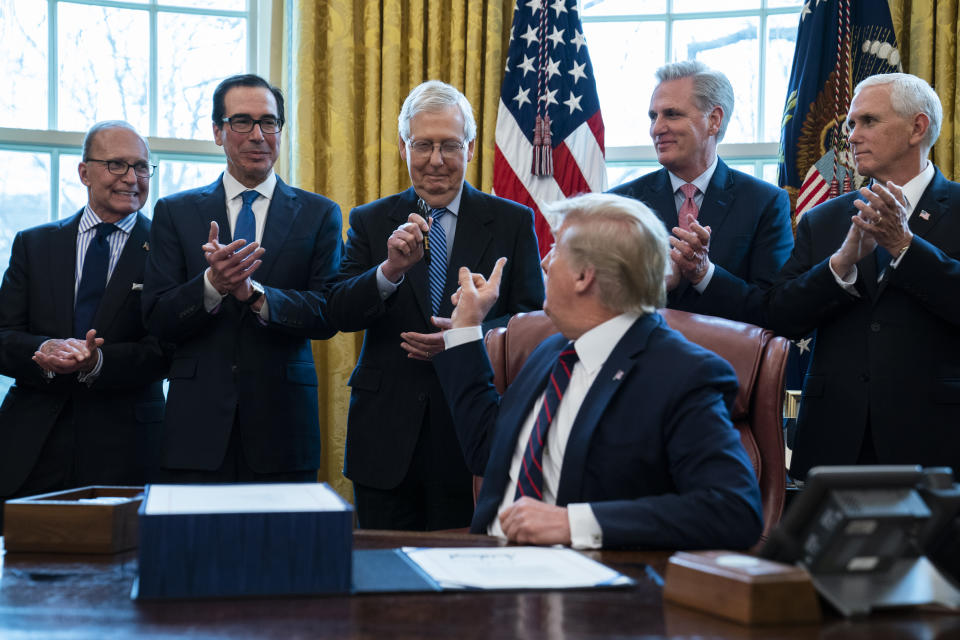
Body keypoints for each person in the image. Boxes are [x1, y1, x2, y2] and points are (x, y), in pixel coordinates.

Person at [432, 192, 762, 549]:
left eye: (556, 249)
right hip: (483, 566)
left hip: (581, 587)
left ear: (583, 276)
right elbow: (488, 450)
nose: (544, 263)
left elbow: (733, 510)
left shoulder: (683, 375)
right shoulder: (552, 351)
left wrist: (573, 523)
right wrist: (466, 328)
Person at [674, 72, 960, 480]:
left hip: (938, 441)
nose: (852, 136)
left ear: (918, 127)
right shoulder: (824, 220)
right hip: (835, 440)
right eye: (850, 124)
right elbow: (778, 314)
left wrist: (904, 247)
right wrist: (840, 265)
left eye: (868, 121)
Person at [332, 80, 545, 530]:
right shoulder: (370, 220)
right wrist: (388, 271)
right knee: (381, 582)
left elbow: (534, 320)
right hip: (385, 437)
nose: (435, 160)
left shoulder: (512, 221)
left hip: (470, 429)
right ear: (404, 146)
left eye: (449, 145)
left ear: (470, 149)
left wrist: (465, 336)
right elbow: (338, 310)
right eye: (422, 145)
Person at [142, 74, 343, 482]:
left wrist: (256, 295)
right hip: (195, 432)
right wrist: (212, 285)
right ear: (218, 132)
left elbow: (328, 313)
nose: (257, 135)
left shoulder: (319, 213)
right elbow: (157, 317)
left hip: (283, 428)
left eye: (269, 122)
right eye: (242, 122)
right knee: (194, 547)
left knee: (282, 548)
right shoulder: (175, 212)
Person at [0, 121, 168, 530]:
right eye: (117, 165)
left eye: (142, 167)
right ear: (84, 172)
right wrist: (47, 352)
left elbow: (167, 349)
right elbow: (3, 337)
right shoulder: (34, 244)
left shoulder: (167, 252)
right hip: (31, 445)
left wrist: (96, 363)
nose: (132, 178)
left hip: (126, 449)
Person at [609, 60, 792, 310]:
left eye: (672, 114)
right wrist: (654, 286)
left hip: (727, 349)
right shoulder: (619, 204)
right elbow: (597, 301)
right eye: (654, 116)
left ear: (714, 120)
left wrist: (704, 274)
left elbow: (775, 309)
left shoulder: (765, 203)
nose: (657, 128)